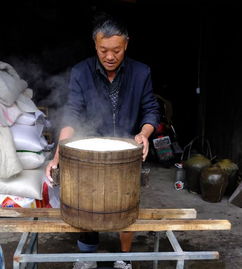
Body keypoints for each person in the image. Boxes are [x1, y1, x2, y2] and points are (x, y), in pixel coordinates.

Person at [46, 14, 160, 269]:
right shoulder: (81, 72)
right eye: (103, 50)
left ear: (126, 45)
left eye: (116, 50)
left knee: (127, 203)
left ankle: (124, 258)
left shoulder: (141, 73)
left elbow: (151, 109)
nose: (110, 56)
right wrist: (57, 156)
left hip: (126, 152)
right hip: (89, 152)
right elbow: (72, 115)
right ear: (95, 45)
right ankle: (87, 257)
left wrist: (144, 134)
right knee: (85, 203)